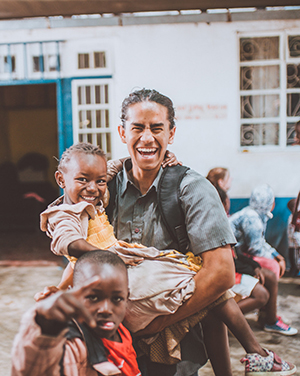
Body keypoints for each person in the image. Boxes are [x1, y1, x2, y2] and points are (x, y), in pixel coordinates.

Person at [38, 141, 296, 376]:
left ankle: (255, 355)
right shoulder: (63, 214)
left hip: (129, 265)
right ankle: (257, 354)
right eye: (83, 179)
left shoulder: (92, 199)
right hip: (121, 276)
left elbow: (115, 167)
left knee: (211, 295)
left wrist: (156, 158)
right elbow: (70, 245)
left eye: (100, 181)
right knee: (211, 292)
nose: (92, 188)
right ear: (60, 178)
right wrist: (106, 257)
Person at [11, 250, 141, 376]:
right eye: (93, 297)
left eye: (117, 299)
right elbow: (35, 369)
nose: (106, 309)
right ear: (72, 294)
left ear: (126, 297)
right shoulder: (72, 345)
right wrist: (45, 328)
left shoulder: (122, 332)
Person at [217, 187, 297, 336]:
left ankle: (269, 319)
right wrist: (255, 268)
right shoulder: (251, 218)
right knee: (270, 271)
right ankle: (222, 319)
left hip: (236, 260)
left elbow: (238, 252)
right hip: (230, 267)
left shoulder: (255, 215)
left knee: (269, 273)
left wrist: (262, 263)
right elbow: (252, 249)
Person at [287, 198, 300, 276]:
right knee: (293, 258)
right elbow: (293, 232)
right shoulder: (292, 217)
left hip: (296, 243)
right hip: (294, 243)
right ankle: (294, 270)